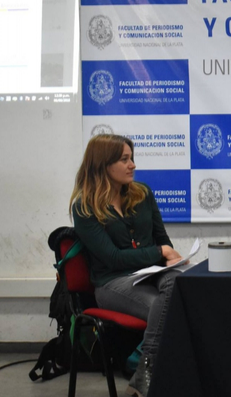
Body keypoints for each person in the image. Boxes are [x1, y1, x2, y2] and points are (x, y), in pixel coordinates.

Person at [69, 134, 183, 397]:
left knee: (181, 283)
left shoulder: (142, 194)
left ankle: (142, 363)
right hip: (113, 283)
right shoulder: (85, 208)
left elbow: (162, 240)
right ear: (103, 165)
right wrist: (159, 252)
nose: (132, 164)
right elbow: (114, 258)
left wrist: (171, 257)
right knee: (165, 307)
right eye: (124, 159)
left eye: (131, 158)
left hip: (153, 274)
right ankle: (147, 370)